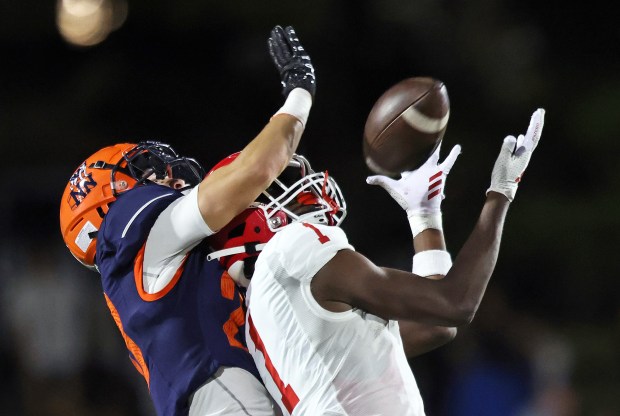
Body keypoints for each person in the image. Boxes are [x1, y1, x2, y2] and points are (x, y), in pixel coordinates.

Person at [206, 109, 545, 415]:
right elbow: (455, 303)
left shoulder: (264, 314)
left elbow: (434, 325)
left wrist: (424, 217)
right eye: (276, 186)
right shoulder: (292, 247)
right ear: (244, 222)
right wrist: (500, 192)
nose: (301, 187)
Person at [59, 25, 315, 416]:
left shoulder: (159, 269)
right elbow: (255, 168)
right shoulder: (127, 226)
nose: (163, 171)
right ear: (109, 199)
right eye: (143, 168)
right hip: (223, 395)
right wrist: (299, 92)